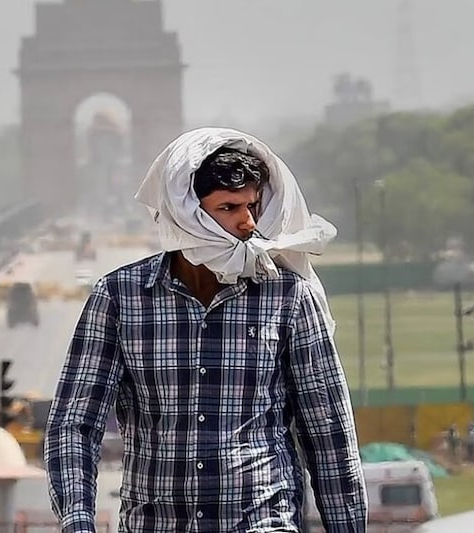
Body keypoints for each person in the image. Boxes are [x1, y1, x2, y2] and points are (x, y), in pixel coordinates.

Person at [45, 128, 367, 532]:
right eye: (229, 207)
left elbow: (328, 433)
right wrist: (78, 521)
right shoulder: (120, 298)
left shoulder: (288, 298)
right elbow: (75, 424)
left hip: (262, 520)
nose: (247, 223)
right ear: (187, 212)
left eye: (252, 205)